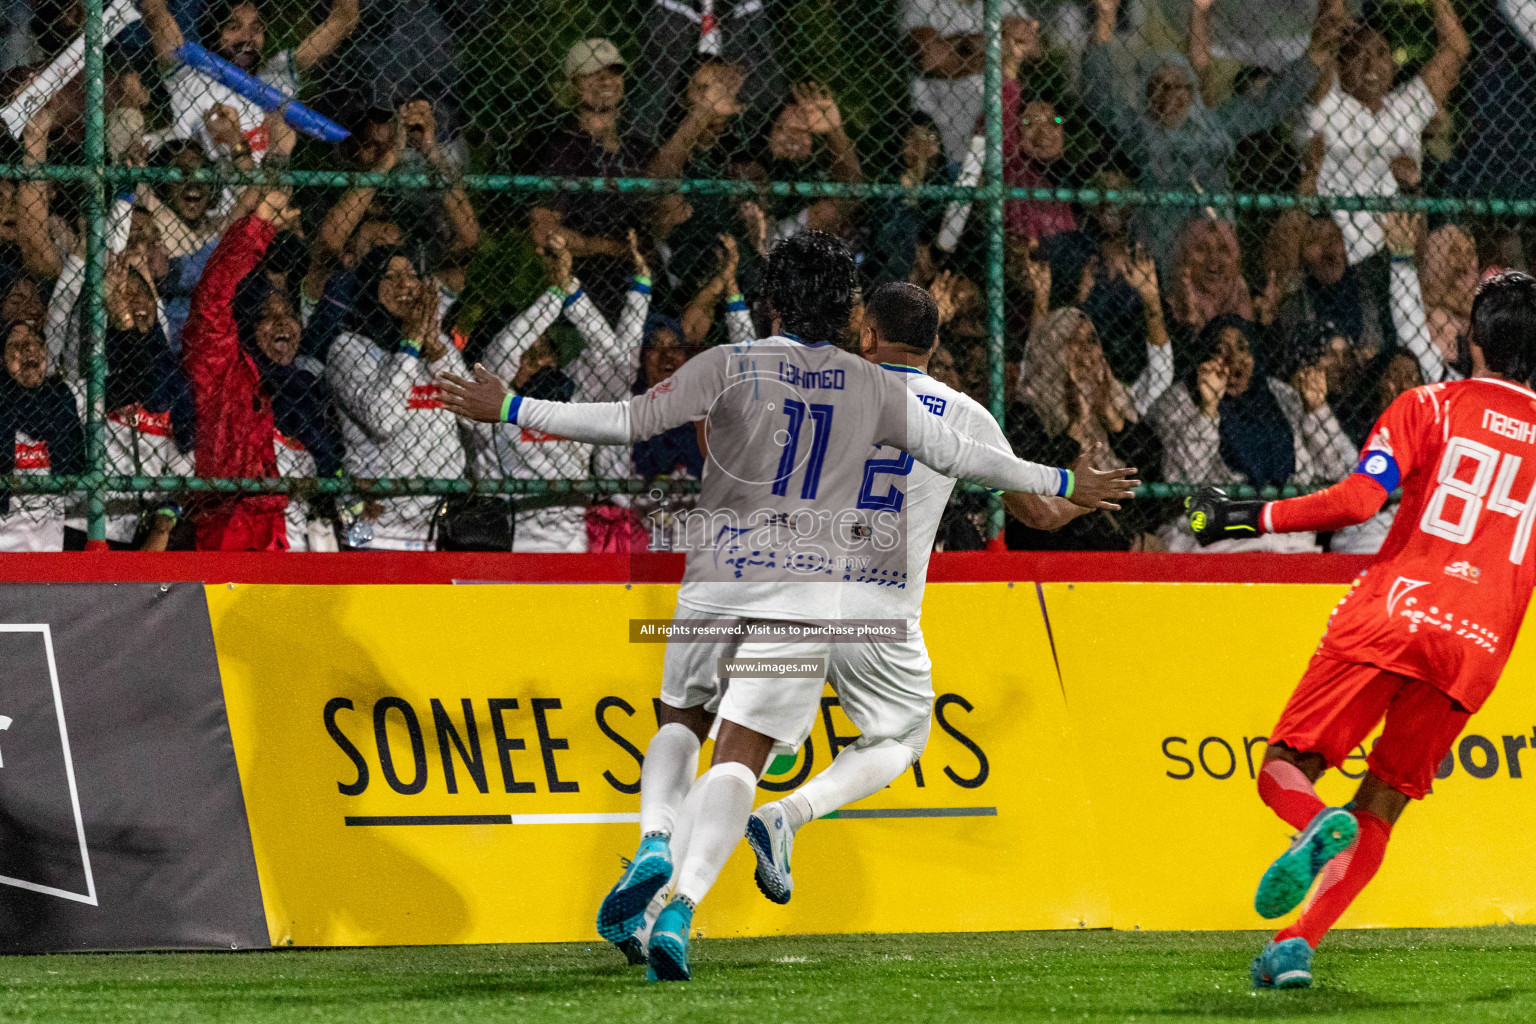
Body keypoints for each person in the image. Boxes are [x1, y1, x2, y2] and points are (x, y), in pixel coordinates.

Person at [436, 231, 1137, 982]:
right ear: (846, 314)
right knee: (746, 754)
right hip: (809, 594)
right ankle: (683, 905)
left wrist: (509, 404)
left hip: (715, 579)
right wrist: (1065, 481)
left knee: (681, 720)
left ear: (774, 300)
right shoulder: (869, 387)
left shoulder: (733, 364)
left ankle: (653, 838)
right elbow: (967, 459)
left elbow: (629, 419)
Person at [1185, 271, 1536, 990]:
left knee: (1285, 765)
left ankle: (1312, 825)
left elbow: (1355, 502)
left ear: (1469, 337)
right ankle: (1296, 943)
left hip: (1395, 613)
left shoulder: (1428, 406)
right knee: (1382, 803)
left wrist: (1241, 517)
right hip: (1476, 646)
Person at [743, 282, 1105, 903]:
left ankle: (675, 859)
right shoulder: (965, 416)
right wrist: (1081, 502)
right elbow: (1039, 515)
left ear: (866, 337)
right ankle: (787, 815)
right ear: (935, 345)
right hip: (878, 614)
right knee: (903, 737)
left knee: (745, 738)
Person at [326, 245, 472, 551]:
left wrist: (434, 349)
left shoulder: (439, 346)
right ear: (369, 287)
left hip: (441, 530)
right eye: (390, 277)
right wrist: (411, 343)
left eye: (411, 276)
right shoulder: (348, 347)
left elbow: (473, 415)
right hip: (376, 533)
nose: (405, 285)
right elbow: (383, 419)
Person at [1301, 0, 1468, 265]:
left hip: (1396, 251)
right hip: (1336, 251)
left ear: (1393, 63)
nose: (1371, 66)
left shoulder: (1407, 105)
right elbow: (1328, 34)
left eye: (1380, 53)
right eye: (1358, 54)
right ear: (1341, 66)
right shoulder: (1330, 105)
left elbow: (1456, 48)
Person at [142, 0, 359, 162]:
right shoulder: (188, 76)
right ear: (213, 33)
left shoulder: (277, 80)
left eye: (256, 29)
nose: (247, 38)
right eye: (234, 27)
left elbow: (343, 21)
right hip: (206, 209)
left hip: (264, 211)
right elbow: (155, 11)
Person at [529, 39, 652, 321]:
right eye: (593, 73)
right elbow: (545, 231)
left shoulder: (638, 147)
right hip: (580, 300)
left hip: (642, 295)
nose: (606, 80)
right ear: (574, 83)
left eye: (614, 71)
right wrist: (615, 248)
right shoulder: (562, 148)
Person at [903, 0, 1040, 168]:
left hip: (1005, 145)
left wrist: (963, 47)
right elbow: (931, 59)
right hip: (945, 145)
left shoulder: (1004, 2)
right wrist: (1000, 38)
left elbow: (1033, 48)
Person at [0, 318, 83, 551]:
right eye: (14, 346)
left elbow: (74, 466)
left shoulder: (62, 398)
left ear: (46, 352)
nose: (27, 349)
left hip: (47, 541)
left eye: (34, 343)